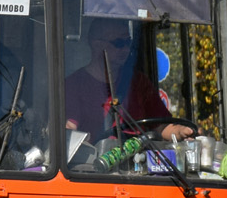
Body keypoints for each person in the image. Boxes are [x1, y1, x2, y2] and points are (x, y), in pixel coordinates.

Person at [64, 18, 193, 141]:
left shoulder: (138, 82)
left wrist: (180, 131)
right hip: (95, 162)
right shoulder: (73, 86)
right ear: (97, 44)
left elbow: (160, 126)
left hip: (138, 160)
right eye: (119, 43)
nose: (126, 49)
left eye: (128, 42)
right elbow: (69, 131)